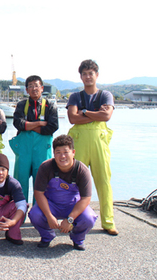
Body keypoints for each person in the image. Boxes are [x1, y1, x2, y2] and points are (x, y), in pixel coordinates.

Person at [66, 59, 118, 235]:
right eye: (84, 74)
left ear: (97, 75)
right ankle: (72, 220)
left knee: (103, 182)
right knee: (75, 183)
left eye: (91, 73)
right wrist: (97, 115)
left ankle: (108, 221)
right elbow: (72, 118)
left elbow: (107, 116)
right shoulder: (75, 96)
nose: (88, 77)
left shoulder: (106, 95)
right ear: (80, 77)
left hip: (99, 144)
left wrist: (85, 112)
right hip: (79, 143)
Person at [28, 135, 97, 250]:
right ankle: (47, 236)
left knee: (89, 218)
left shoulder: (82, 170)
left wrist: (70, 219)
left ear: (73, 152)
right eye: (58, 152)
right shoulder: (45, 167)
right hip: (51, 205)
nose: (62, 156)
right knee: (35, 214)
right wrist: (49, 216)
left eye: (66, 152)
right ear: (53, 153)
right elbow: (39, 193)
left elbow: (86, 199)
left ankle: (77, 238)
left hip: (72, 205)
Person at [10, 75, 59, 204]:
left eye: (36, 86)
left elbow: (53, 126)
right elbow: (17, 123)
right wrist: (40, 124)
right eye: (30, 86)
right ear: (26, 90)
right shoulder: (21, 105)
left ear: (42, 88)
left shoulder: (50, 105)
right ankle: (20, 211)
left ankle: (40, 213)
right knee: (20, 181)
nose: (33, 89)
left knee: (42, 182)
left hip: (43, 151)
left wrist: (29, 126)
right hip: (24, 150)